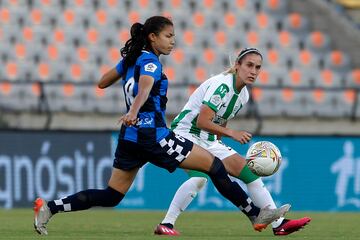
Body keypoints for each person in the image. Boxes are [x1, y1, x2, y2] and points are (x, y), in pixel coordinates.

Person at [33, 16, 290, 236]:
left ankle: (50, 207)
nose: (173, 41)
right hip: (153, 135)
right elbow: (145, 86)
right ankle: (256, 214)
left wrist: (125, 70)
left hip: (130, 137)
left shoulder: (132, 60)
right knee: (214, 165)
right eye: (168, 36)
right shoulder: (152, 63)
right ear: (153, 37)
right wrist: (134, 109)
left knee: (112, 195)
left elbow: (102, 82)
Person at [154, 48, 311, 236]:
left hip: (208, 139)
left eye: (258, 67)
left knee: (249, 174)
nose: (253, 71)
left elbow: (221, 118)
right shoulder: (223, 85)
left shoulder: (243, 95)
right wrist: (231, 133)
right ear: (237, 66)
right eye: (249, 65)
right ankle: (167, 224)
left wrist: (221, 138)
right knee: (199, 178)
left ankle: (278, 224)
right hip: (186, 133)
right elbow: (201, 121)